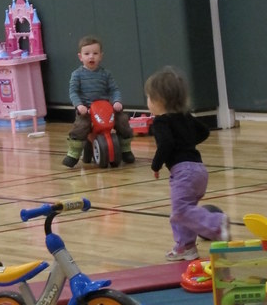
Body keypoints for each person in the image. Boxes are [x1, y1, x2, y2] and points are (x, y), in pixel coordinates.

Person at [145, 66, 229, 261]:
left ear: (159, 100)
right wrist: (187, 144)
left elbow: (166, 144)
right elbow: (204, 131)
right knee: (181, 211)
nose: (147, 102)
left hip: (184, 172)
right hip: (199, 170)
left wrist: (155, 165)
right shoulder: (185, 117)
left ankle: (216, 223)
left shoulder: (161, 122)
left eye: (149, 97)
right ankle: (186, 247)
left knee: (180, 211)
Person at [63, 35, 135, 167]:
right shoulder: (77, 75)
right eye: (87, 54)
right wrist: (79, 105)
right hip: (87, 110)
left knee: (122, 121)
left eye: (95, 53)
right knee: (81, 127)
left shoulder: (105, 74)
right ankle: (73, 153)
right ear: (80, 57)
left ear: (101, 56)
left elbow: (114, 90)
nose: (91, 57)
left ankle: (125, 149)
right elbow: (73, 92)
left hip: (105, 109)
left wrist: (117, 101)